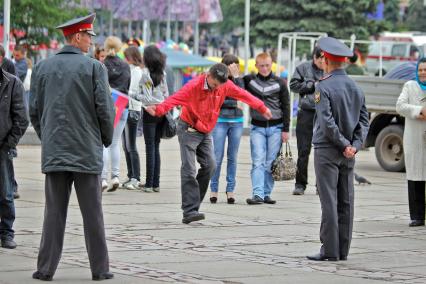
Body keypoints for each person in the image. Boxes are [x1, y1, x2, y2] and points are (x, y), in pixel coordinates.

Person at [29, 13, 115, 281]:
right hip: (86, 151)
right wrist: (105, 139)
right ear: (77, 36)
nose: (91, 41)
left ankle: (45, 270)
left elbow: (35, 111)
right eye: (89, 36)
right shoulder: (94, 68)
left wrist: (49, 138)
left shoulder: (43, 68)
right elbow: (105, 110)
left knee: (53, 213)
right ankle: (100, 271)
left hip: (55, 150)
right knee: (93, 214)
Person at [145, 63, 272, 224]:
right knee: (189, 169)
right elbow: (173, 99)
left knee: (210, 166)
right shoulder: (193, 86)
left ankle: (194, 204)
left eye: (220, 86)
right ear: (208, 76)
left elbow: (243, 94)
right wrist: (158, 110)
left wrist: (261, 107)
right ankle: (190, 211)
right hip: (188, 129)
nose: (216, 88)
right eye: (214, 85)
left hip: (205, 130)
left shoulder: (224, 85)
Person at [306, 37, 369, 262]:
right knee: (346, 201)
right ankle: (343, 250)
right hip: (348, 152)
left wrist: (343, 144)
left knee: (329, 200)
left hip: (327, 150)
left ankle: (329, 251)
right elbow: (364, 121)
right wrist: (354, 146)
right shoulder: (356, 87)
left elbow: (326, 121)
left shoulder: (322, 86)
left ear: (326, 60)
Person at [243, 52, 290, 205]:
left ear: (272, 65)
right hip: (257, 127)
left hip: (276, 128)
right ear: (256, 66)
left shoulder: (280, 83)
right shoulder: (249, 81)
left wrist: (286, 130)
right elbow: (235, 86)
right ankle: (257, 194)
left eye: (267, 66)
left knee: (271, 162)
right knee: (257, 161)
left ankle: (266, 193)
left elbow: (286, 106)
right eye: (261, 66)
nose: (264, 68)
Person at [0, 59, 28, 249]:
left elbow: (21, 118)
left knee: (5, 192)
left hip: (2, 147)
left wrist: (9, 143)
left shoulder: (11, 82)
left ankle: (6, 232)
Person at [209, 54, 245, 204]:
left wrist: (236, 78)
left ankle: (230, 190)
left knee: (233, 157)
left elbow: (242, 95)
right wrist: (233, 102)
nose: (232, 69)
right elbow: (219, 100)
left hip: (237, 121)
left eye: (234, 66)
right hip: (220, 121)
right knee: (217, 156)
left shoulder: (239, 80)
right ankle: (214, 189)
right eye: (229, 66)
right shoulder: (218, 81)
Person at [396, 57, 426, 227]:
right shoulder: (410, 86)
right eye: (420, 70)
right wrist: (419, 110)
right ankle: (417, 216)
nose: (423, 73)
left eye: (425, 70)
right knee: (415, 177)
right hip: (414, 138)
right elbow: (400, 106)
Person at [290, 47, 324, 195]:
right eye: (320, 58)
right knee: (303, 151)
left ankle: (321, 185)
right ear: (314, 58)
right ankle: (300, 184)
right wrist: (309, 86)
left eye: (325, 58)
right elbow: (293, 85)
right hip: (306, 113)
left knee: (322, 151)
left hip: (324, 114)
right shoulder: (303, 68)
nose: (323, 62)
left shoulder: (330, 69)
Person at [102, 36, 131, 192]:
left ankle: (103, 178)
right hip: (123, 106)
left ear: (106, 48)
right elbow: (127, 85)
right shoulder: (126, 66)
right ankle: (115, 176)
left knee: (103, 143)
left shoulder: (102, 65)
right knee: (115, 143)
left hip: (107, 107)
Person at [139, 45, 169, 193]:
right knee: (156, 147)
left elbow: (146, 97)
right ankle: (156, 183)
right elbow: (166, 94)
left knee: (149, 148)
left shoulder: (145, 74)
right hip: (161, 111)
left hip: (150, 111)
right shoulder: (163, 73)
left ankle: (149, 183)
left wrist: (135, 96)